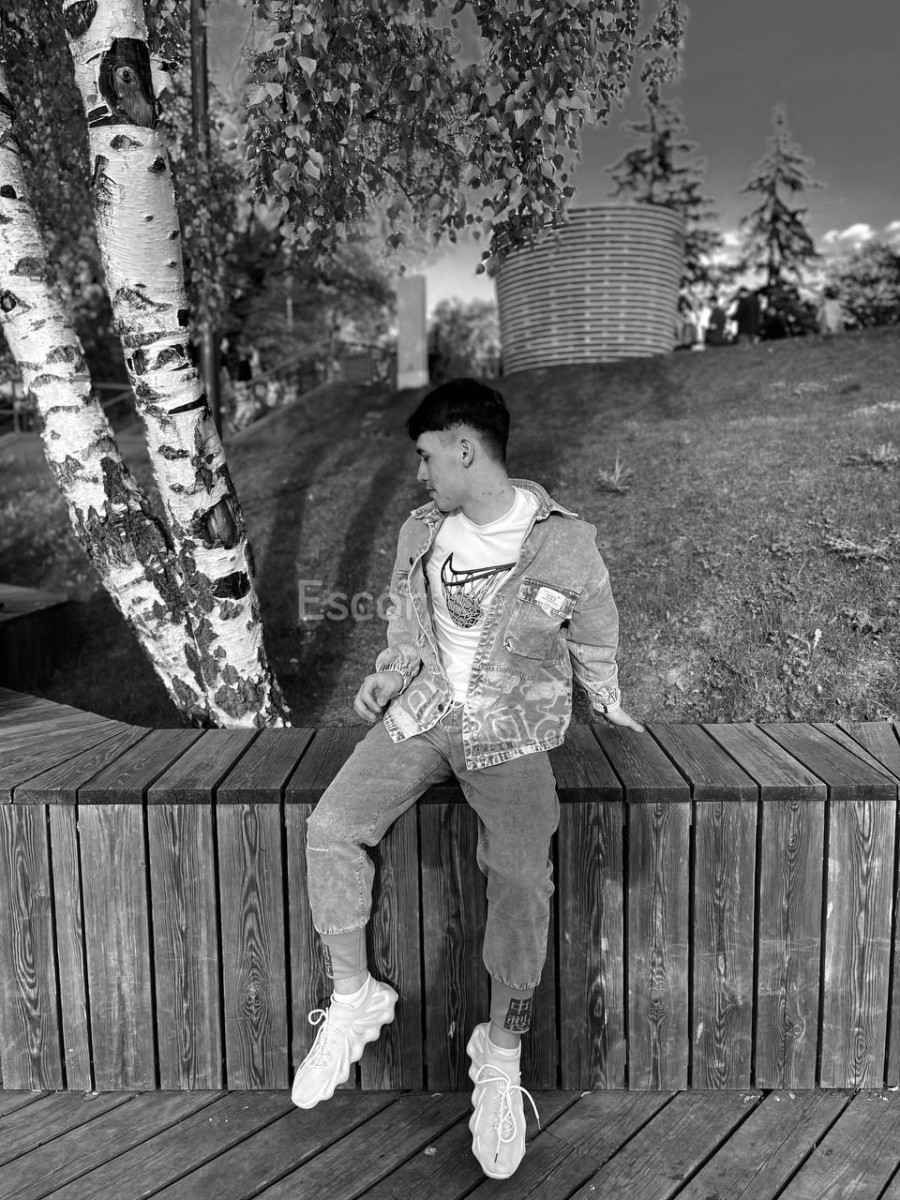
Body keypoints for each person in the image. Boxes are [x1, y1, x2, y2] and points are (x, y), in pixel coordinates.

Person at [290, 378, 642, 1180]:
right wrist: (389, 674)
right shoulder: (421, 531)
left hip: (510, 731)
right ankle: (355, 997)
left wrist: (607, 696)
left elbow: (595, 625)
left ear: (463, 447)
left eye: (425, 456)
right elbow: (404, 622)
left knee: (520, 878)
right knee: (330, 828)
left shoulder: (566, 543)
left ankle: (500, 1054)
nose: (420, 474)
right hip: (423, 714)